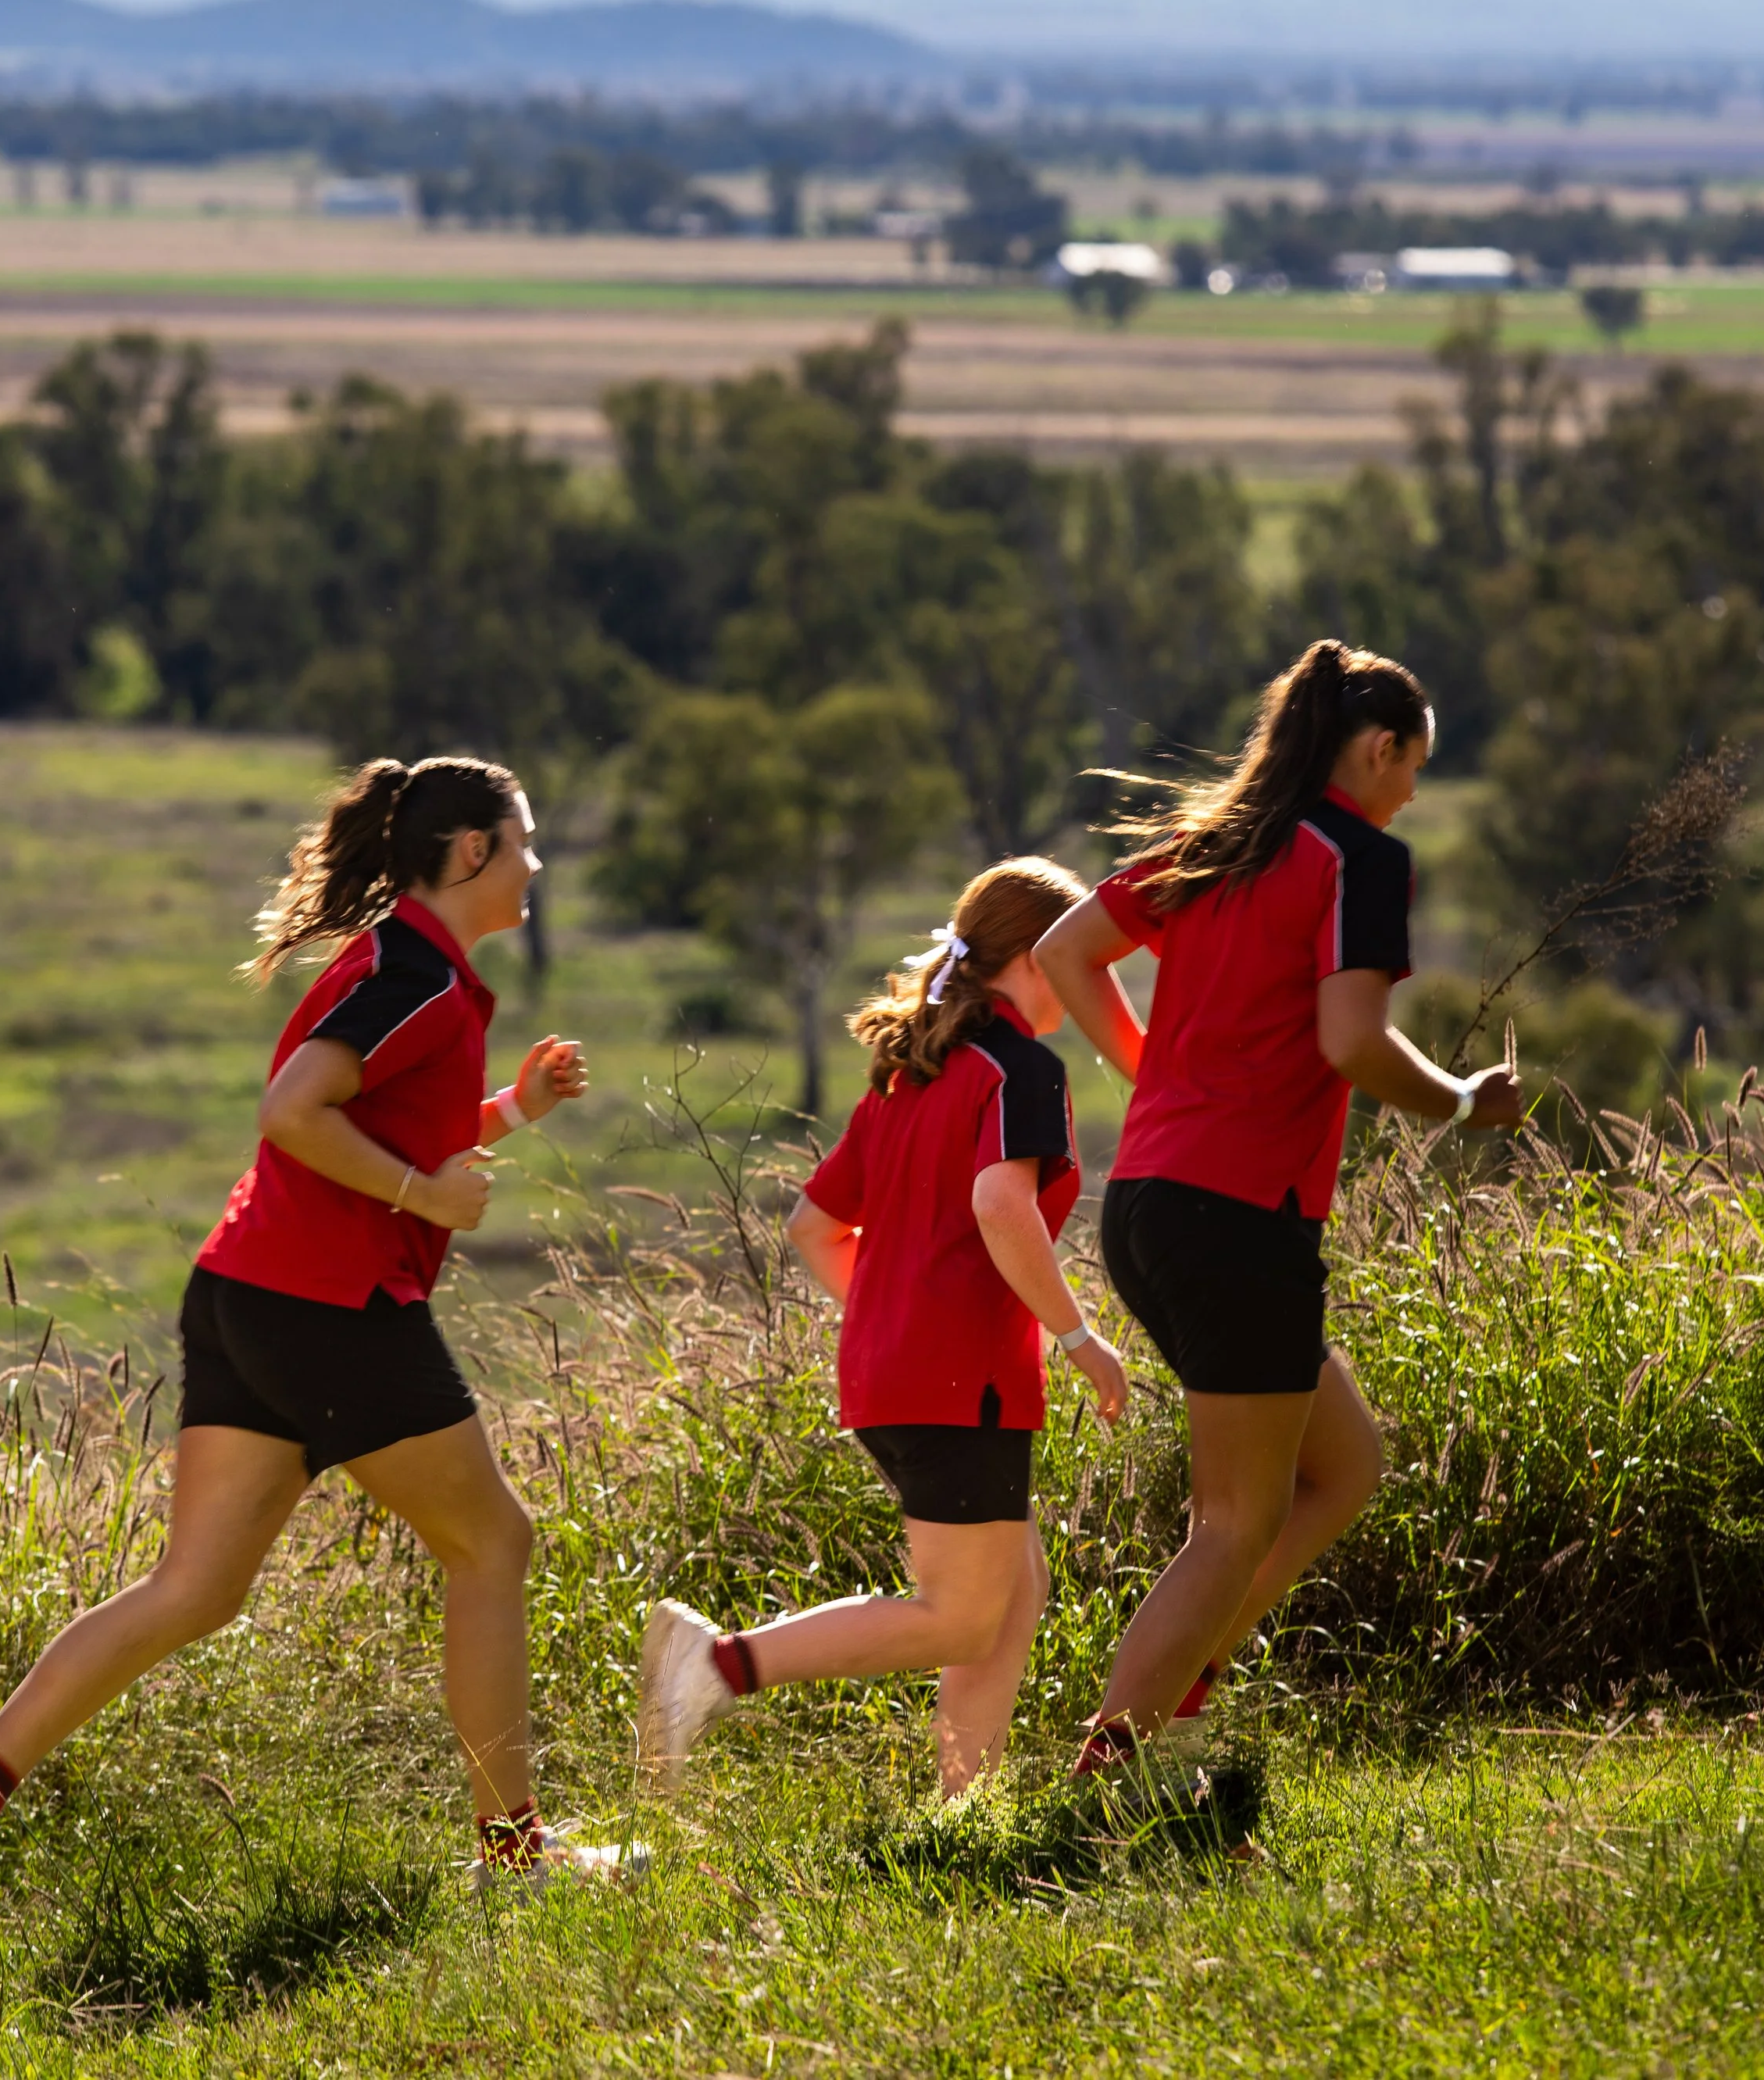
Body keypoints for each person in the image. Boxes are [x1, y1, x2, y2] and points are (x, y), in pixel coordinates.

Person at [0, 754, 624, 1953]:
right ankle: (515, 1854)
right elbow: (294, 1110)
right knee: (493, 1541)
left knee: (198, 1587)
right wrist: (422, 1196)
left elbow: (387, 1124)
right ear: (474, 852)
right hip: (327, 1306)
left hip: (248, 1289)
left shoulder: (412, 970)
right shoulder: (415, 977)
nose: (539, 862)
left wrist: (512, 1112)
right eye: (526, 840)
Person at [1034, 640, 1523, 1778]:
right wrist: (1457, 1101)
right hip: (1239, 1216)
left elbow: (1068, 950)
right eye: (1415, 768)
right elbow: (1351, 1040)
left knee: (1344, 1464)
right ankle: (1113, 1773)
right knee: (1234, 1520)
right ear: (1379, 747)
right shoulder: (1359, 858)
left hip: (1149, 1203)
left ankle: (1182, 1700)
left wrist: (1154, 1071)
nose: (1413, 792)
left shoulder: (1223, 844)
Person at [637, 859, 1129, 1799]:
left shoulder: (912, 1077)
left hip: (887, 1373)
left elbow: (813, 1228)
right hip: (960, 1380)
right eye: (1084, 959)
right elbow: (1000, 1202)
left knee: (1010, 1592)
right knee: (960, 1615)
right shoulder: (1019, 1069)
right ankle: (716, 1666)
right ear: (1035, 957)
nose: (1093, 980)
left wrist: (896, 1313)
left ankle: (960, 1811)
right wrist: (1076, 1337)